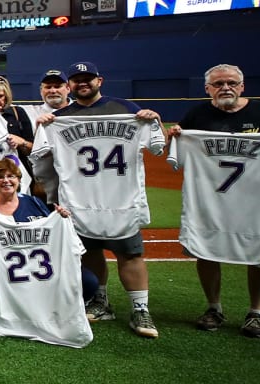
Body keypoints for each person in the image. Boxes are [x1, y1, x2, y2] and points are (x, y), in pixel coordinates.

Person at [35, 62, 163, 339]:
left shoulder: (127, 109)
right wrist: (45, 126)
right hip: (79, 199)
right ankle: (100, 300)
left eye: (88, 79)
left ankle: (141, 308)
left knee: (130, 253)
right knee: (90, 252)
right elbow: (44, 160)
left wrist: (152, 119)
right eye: (77, 79)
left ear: (99, 81)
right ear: (70, 85)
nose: (83, 83)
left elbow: (155, 145)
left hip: (120, 198)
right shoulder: (60, 117)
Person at [170, 64, 260, 338]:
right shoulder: (198, 114)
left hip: (258, 200)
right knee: (205, 248)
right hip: (211, 201)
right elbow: (177, 150)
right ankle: (214, 308)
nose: (226, 87)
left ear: (242, 86)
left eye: (232, 82)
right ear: (207, 89)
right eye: (219, 83)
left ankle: (255, 313)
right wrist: (176, 135)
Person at [0, 159, 92, 300]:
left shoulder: (34, 202)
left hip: (37, 266)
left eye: (11, 176)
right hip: (1, 270)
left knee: (88, 281)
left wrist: (61, 219)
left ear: (19, 180)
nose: (6, 180)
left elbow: (53, 233)